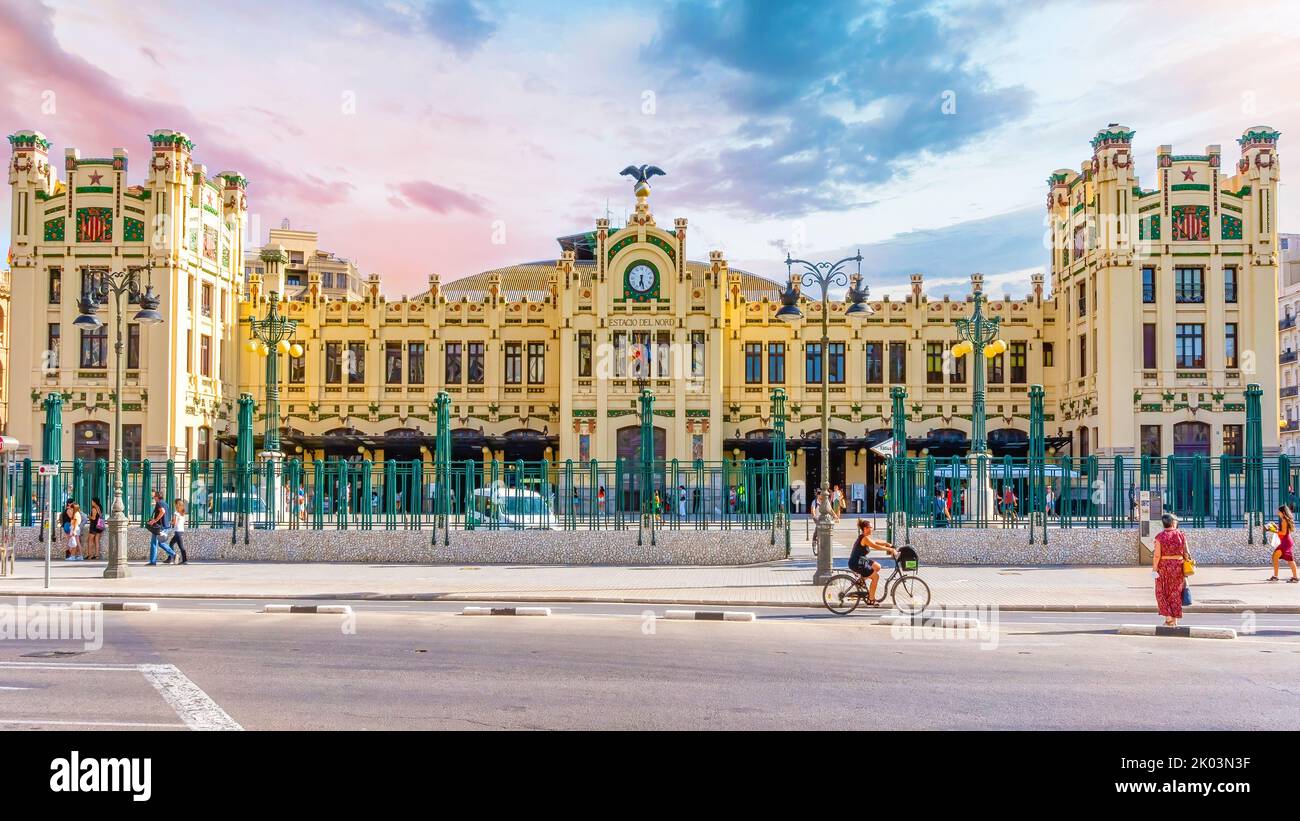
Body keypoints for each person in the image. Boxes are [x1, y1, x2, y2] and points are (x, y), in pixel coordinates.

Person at [848, 519, 898, 606]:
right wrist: (890, 550)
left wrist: (887, 544)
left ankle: (860, 581)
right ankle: (871, 599)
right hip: (856, 562)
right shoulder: (865, 538)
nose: (872, 529)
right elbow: (875, 546)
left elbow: (876, 542)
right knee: (875, 577)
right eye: (871, 527)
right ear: (865, 528)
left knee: (877, 566)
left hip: (861, 559)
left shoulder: (865, 536)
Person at [1152, 513, 1191, 627]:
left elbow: (1157, 555)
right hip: (1178, 566)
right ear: (1173, 523)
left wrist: (1154, 569)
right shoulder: (1181, 535)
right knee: (1175, 593)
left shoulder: (1159, 537)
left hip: (1163, 567)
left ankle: (1169, 618)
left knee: (1161, 592)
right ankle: (1174, 619)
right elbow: (1187, 553)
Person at [1265, 504, 1299, 583]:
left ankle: (1294, 577)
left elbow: (1283, 533)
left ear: (1283, 512)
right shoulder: (1284, 520)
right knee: (1276, 557)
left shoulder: (1284, 520)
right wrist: (1275, 527)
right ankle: (1278, 576)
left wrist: (1272, 530)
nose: (1277, 512)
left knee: (1288, 559)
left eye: (1279, 511)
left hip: (1285, 542)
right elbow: (1283, 531)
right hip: (1286, 541)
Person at [146, 491, 175, 566]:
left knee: (154, 543)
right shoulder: (165, 503)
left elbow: (162, 511)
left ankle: (153, 562)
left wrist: (154, 520)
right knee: (161, 543)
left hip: (159, 527)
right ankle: (174, 555)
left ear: (157, 497)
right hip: (165, 526)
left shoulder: (159, 503)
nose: (153, 498)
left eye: (154, 496)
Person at [169, 499, 189, 565]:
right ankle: (171, 557)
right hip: (181, 531)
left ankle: (183, 560)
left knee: (181, 546)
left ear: (177, 504)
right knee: (171, 543)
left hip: (177, 531)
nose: (174, 505)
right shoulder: (183, 513)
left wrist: (170, 522)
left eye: (175, 504)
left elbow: (174, 523)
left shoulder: (176, 513)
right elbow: (183, 522)